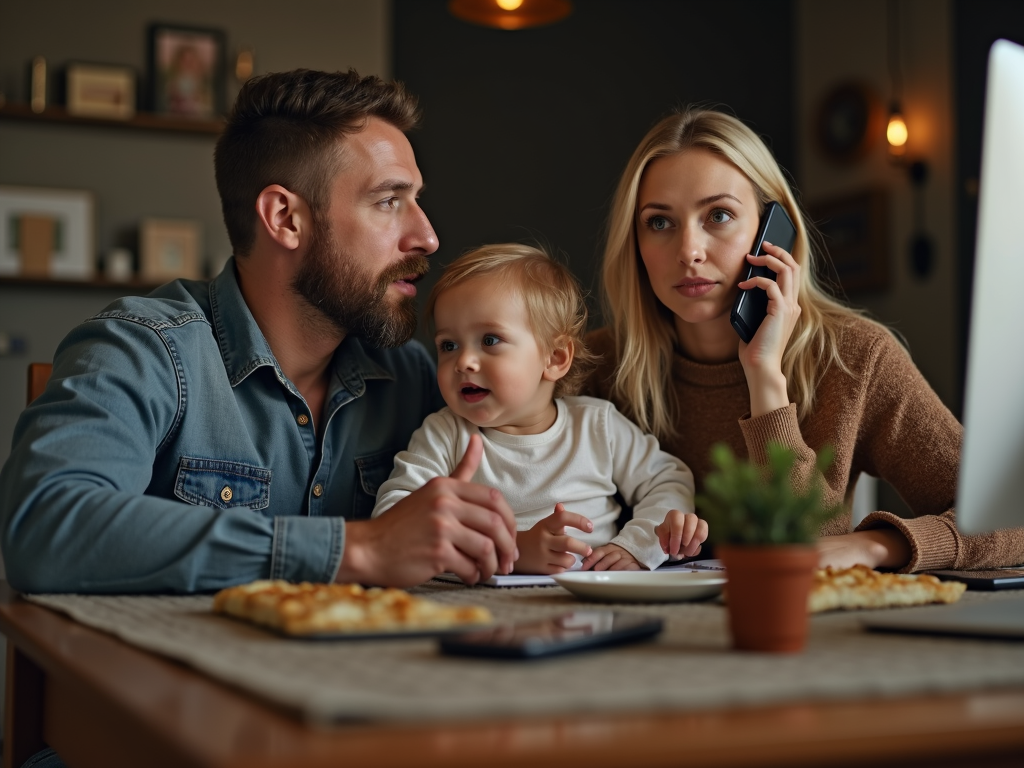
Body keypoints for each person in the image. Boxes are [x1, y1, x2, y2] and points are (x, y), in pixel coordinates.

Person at [0, 69, 520, 595]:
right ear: (284, 218)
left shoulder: (417, 378)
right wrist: (360, 549)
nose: (427, 237)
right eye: (389, 201)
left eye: (416, 200)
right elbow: (43, 527)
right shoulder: (142, 350)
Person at [583, 107, 1024, 572]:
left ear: (773, 231)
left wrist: (876, 546)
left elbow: (1012, 518)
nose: (689, 250)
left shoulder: (855, 357)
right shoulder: (597, 367)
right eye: (659, 222)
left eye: (719, 215)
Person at [372, 243, 706, 573]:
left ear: (555, 358)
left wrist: (635, 546)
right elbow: (392, 518)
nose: (464, 362)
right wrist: (513, 549)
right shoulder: (445, 435)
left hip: (592, 600)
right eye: (448, 345)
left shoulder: (596, 426)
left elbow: (667, 480)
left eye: (489, 340)